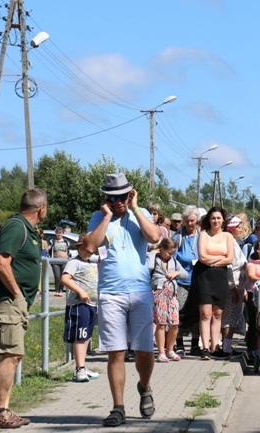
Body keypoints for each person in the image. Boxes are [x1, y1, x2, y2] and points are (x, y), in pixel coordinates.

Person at [85, 173, 161, 427]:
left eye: (122, 196)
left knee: (144, 351)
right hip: (110, 293)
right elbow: (89, 248)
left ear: (130, 194)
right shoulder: (99, 218)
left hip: (139, 291)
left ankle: (145, 386)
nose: (118, 201)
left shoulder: (141, 215)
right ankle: (118, 407)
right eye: (112, 197)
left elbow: (154, 237)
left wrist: (136, 208)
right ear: (106, 198)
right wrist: (107, 216)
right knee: (115, 352)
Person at [0, 188, 47, 429]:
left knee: (14, 354)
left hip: (15, 302)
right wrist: (18, 294)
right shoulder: (16, 227)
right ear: (41, 208)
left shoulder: (26, 228)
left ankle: (4, 408)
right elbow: (2, 263)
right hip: (8, 301)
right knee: (10, 354)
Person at [187, 206, 235, 360]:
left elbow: (230, 259)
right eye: (213, 218)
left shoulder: (228, 236)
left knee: (218, 313)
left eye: (219, 218)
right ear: (209, 219)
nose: (216, 221)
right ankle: (205, 348)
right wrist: (219, 259)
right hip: (204, 277)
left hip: (220, 277)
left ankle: (216, 347)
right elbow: (202, 257)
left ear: (223, 220)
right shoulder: (203, 235)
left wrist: (212, 261)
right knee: (205, 313)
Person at [59, 233, 100, 382]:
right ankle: (79, 368)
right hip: (79, 304)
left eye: (89, 250)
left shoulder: (92, 263)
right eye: (83, 249)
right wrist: (80, 291)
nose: (86, 252)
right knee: (80, 336)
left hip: (92, 304)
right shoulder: (74, 262)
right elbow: (64, 278)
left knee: (87, 336)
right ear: (78, 248)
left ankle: (83, 366)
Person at [151, 238, 188, 363]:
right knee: (161, 323)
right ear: (161, 249)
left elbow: (185, 274)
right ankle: (161, 352)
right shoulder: (154, 260)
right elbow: (147, 268)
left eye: (173, 253)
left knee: (174, 323)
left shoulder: (174, 261)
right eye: (169, 253)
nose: (171, 255)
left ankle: (170, 349)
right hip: (159, 294)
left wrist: (176, 273)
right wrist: (152, 253)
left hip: (172, 296)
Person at [172, 206, 201, 357]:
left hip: (198, 281)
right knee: (180, 313)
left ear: (197, 221)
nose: (190, 224)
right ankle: (180, 344)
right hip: (182, 280)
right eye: (187, 221)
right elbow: (172, 258)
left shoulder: (202, 236)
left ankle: (195, 345)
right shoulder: (178, 238)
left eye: (193, 221)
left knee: (196, 313)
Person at [220, 214, 249, 358]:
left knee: (232, 316)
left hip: (239, 285)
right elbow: (230, 267)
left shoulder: (234, 242)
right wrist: (233, 288)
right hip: (233, 286)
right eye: (238, 227)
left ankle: (227, 345)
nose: (241, 229)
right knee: (229, 318)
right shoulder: (229, 241)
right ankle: (226, 348)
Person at [49, 227, 70, 297]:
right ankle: (57, 290)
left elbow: (68, 251)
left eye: (60, 233)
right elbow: (49, 250)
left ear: (63, 234)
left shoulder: (66, 242)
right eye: (58, 233)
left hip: (64, 261)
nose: (59, 234)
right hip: (55, 261)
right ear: (56, 233)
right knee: (57, 276)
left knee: (62, 276)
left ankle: (61, 290)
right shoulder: (52, 241)